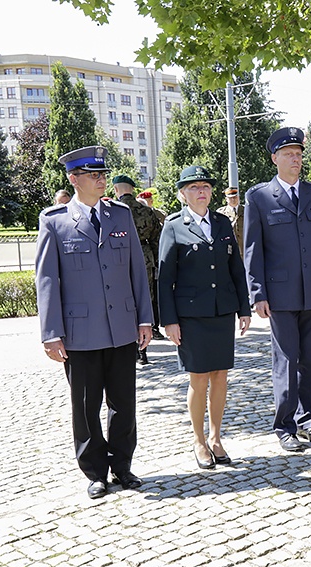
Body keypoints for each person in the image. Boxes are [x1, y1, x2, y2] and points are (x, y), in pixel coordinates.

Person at [35, 145, 152, 500]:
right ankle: (95, 471)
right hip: (79, 334)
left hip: (121, 328)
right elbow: (47, 280)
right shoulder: (54, 221)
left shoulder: (120, 215)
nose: (101, 180)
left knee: (124, 403)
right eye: (93, 175)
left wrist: (145, 319)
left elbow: (136, 271)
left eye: (102, 174)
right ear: (74, 179)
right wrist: (51, 332)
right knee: (86, 408)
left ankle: (123, 466)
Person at [243, 127, 311, 453]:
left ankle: (308, 422)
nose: (296, 159)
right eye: (289, 154)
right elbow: (252, 249)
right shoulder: (258, 197)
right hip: (280, 295)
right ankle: (284, 426)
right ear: (275, 158)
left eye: (299, 154)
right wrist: (257, 293)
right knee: (286, 361)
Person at [157, 166, 251, 469]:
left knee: (221, 377)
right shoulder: (173, 226)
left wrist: (244, 308)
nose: (201, 192)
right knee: (198, 379)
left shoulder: (222, 223)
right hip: (191, 316)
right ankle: (198, 440)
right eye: (194, 187)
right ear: (183, 194)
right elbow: (164, 278)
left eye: (206, 187)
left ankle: (215, 438)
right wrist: (169, 320)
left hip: (221, 311)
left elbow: (236, 268)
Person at [113, 174, 164, 360]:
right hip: (144, 258)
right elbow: (157, 239)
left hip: (118, 260)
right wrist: (156, 262)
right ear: (133, 189)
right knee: (145, 301)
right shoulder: (146, 211)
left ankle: (128, 347)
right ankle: (143, 350)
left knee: (122, 303)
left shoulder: (113, 210)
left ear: (116, 189)